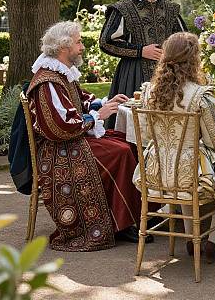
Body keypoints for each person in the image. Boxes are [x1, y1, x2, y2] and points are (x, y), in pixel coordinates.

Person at [27, 21, 146, 251]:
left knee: (128, 143)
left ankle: (125, 218)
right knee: (120, 152)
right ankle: (120, 224)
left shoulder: (61, 73)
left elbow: (79, 100)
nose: (82, 46)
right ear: (64, 47)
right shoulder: (47, 82)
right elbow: (58, 127)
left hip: (72, 139)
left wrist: (104, 103)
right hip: (57, 150)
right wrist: (95, 117)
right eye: (78, 42)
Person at [134, 32, 215, 262]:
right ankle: (212, 242)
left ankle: (190, 239)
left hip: (154, 173)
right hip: (188, 176)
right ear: (194, 59)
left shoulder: (148, 92)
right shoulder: (200, 95)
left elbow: (144, 136)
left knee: (189, 174)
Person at [99, 0, 187, 113]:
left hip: (168, 76)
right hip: (133, 76)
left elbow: (185, 42)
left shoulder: (171, 9)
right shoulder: (124, 8)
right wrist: (140, 51)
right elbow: (106, 42)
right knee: (134, 125)